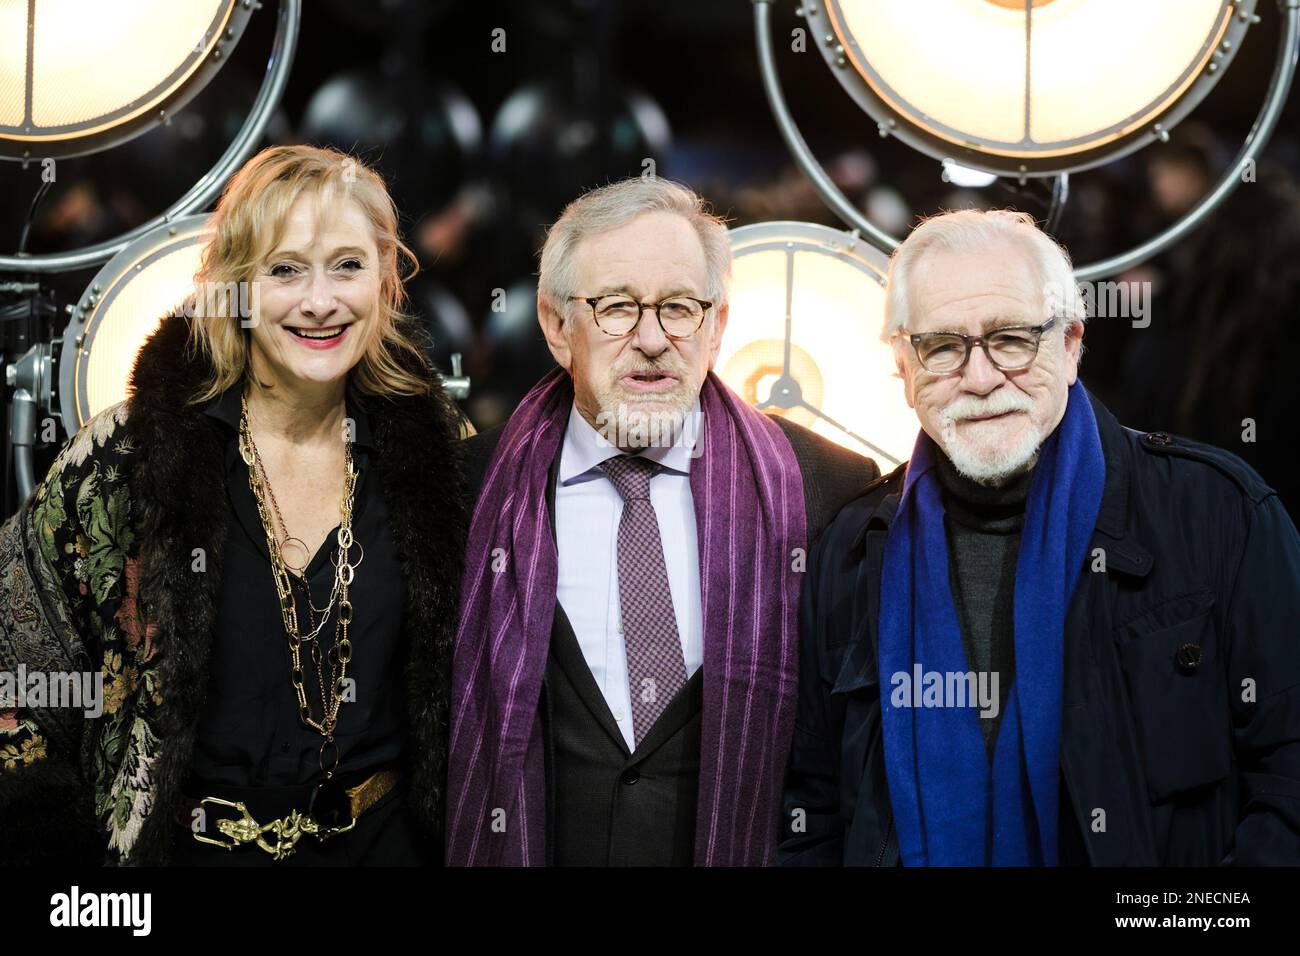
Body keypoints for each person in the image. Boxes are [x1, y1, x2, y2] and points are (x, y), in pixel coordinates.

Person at [780, 208, 1300, 866]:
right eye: (942, 346)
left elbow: (1288, 779)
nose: (980, 376)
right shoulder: (849, 552)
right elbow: (811, 808)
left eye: (1012, 339)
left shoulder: (1219, 513)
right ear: (903, 370)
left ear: (1072, 343)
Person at [0, 144, 467, 866]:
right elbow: (16, 668)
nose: (320, 301)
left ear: (386, 280)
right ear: (236, 284)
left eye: (347, 265)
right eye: (285, 270)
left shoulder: (442, 458)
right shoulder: (129, 455)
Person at [446, 177, 877, 866]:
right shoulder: (463, 489)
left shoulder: (831, 493)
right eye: (617, 308)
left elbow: (849, 778)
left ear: (717, 326)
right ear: (559, 327)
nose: (652, 340)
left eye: (679, 307)